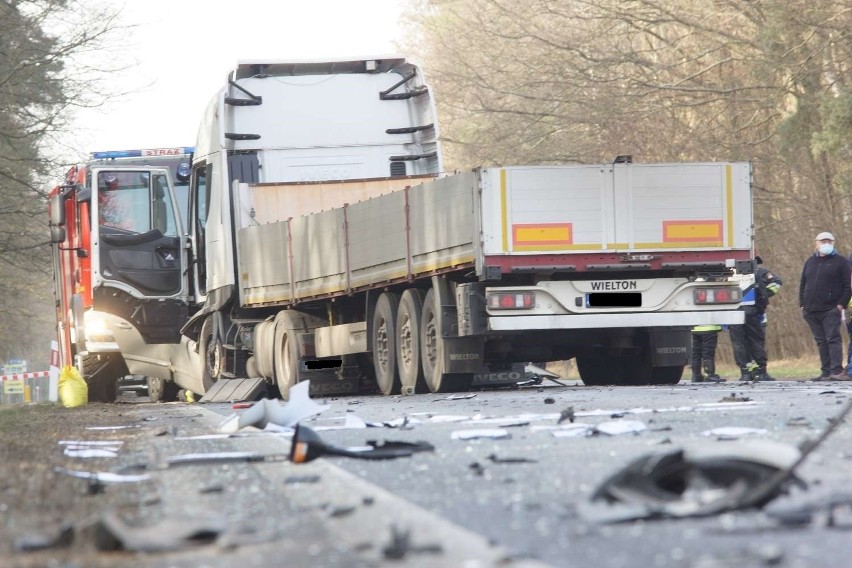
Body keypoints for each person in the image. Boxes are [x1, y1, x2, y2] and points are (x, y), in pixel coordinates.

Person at [800, 232, 852, 381]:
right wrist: (802, 304)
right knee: (821, 341)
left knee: (832, 339)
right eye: (823, 241)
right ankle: (825, 371)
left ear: (833, 243)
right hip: (811, 309)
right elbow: (803, 283)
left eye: (829, 241)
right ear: (816, 243)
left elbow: (847, 286)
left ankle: (835, 371)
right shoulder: (810, 262)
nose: (826, 243)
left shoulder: (841, 262)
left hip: (831, 309)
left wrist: (840, 305)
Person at [730, 256, 782, 381]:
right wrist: (761, 306)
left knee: (739, 344)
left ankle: (745, 372)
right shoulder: (758, 273)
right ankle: (761, 371)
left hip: (734, 312)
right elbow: (764, 294)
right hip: (752, 313)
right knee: (757, 341)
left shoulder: (729, 274)